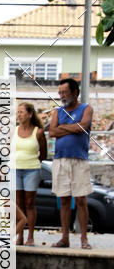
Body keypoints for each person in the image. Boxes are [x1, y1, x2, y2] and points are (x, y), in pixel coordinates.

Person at [48, 77, 94, 249]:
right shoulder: (58, 111)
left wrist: (63, 128)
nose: (61, 95)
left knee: (81, 199)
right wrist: (72, 127)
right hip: (60, 160)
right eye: (59, 92)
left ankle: (84, 239)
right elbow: (52, 131)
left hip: (79, 160)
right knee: (64, 200)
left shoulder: (86, 108)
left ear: (75, 92)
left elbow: (83, 127)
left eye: (64, 92)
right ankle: (64, 237)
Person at [15, 102, 47, 245]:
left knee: (30, 203)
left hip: (31, 169)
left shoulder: (38, 132)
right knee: (19, 203)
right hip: (15, 169)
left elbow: (44, 154)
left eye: (21, 112)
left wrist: (32, 162)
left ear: (29, 114)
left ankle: (30, 237)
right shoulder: (13, 131)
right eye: (18, 112)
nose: (19, 115)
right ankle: (20, 236)